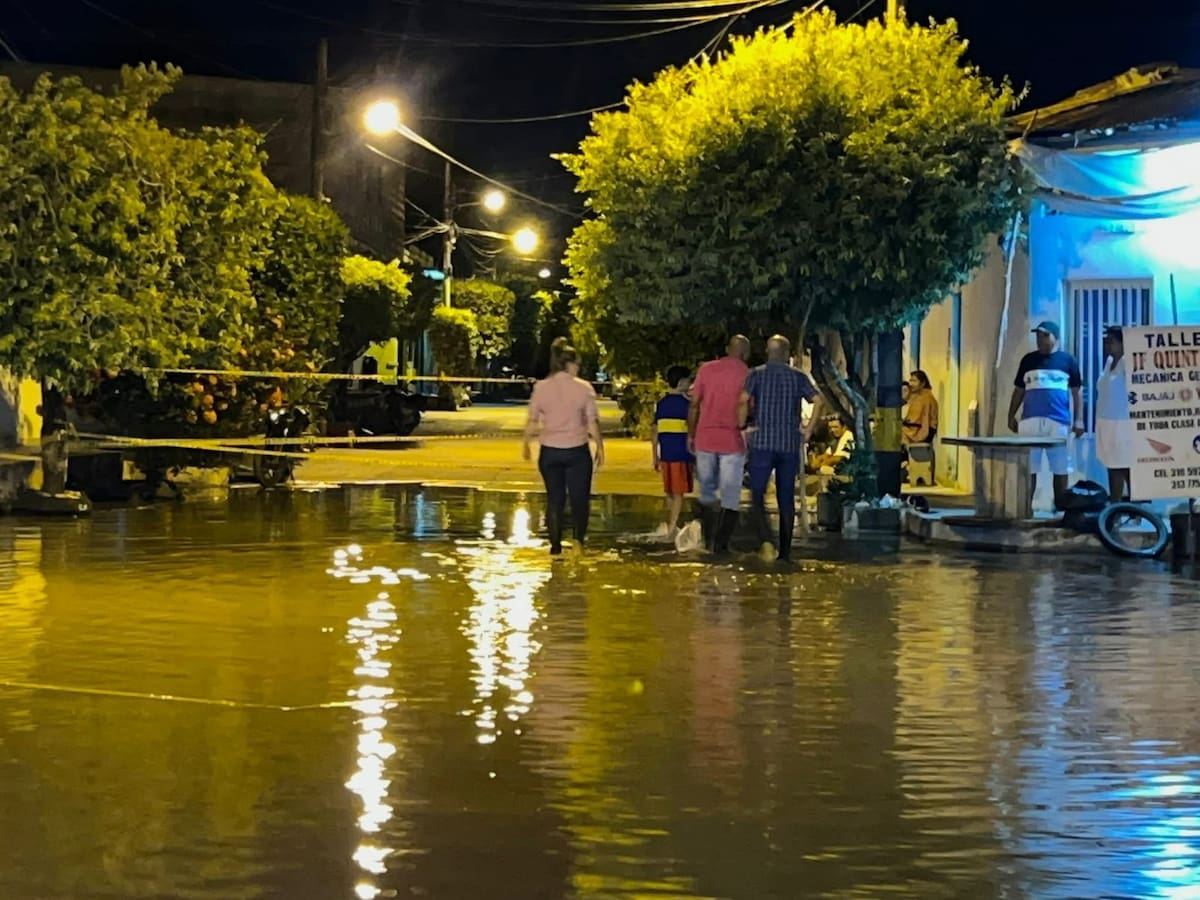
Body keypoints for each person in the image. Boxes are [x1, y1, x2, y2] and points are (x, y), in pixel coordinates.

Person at [738, 335, 822, 562]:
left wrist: (743, 427)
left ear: (768, 351)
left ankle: (766, 540)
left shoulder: (756, 374)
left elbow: (743, 400)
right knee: (786, 498)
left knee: (757, 494)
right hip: (788, 444)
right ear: (786, 354)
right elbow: (818, 400)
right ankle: (785, 552)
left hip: (762, 443)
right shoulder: (798, 376)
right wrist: (808, 430)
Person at [523, 339, 605, 555]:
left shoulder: (541, 388)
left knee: (554, 500)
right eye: (577, 364)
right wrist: (600, 447)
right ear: (569, 364)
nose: (578, 368)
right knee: (579, 499)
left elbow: (532, 420)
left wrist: (526, 444)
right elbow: (592, 422)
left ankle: (555, 547)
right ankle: (578, 542)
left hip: (550, 451)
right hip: (577, 450)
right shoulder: (584, 388)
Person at [1007, 320, 1084, 505]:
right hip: (1030, 421)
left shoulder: (1068, 361)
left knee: (1060, 468)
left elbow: (1077, 393)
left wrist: (1079, 420)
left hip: (1058, 422)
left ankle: (1061, 509)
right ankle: (1025, 508)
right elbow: (1019, 390)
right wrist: (1011, 415)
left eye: (1045, 336)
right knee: (1028, 469)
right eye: (1038, 336)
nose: (1040, 340)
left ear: (1055, 337)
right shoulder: (1028, 360)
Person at [688, 334, 751, 552]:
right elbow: (747, 407)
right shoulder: (747, 374)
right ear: (745, 353)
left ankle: (708, 540)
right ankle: (721, 545)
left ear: (727, 349)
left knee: (707, 492)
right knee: (730, 495)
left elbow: (694, 404)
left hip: (705, 438)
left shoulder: (706, 369)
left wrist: (691, 434)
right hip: (732, 440)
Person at [651, 365, 694, 537]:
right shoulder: (688, 405)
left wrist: (655, 456)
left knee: (670, 491)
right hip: (681, 454)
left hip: (666, 454)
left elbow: (655, 431)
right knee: (678, 493)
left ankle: (672, 522)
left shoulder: (661, 403)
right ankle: (672, 527)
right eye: (688, 380)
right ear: (682, 382)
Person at [1095, 325, 1133, 501]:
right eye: (1106, 341)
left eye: (1111, 342)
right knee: (1111, 465)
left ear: (1123, 343)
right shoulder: (1109, 362)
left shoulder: (1127, 362)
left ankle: (1132, 507)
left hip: (1122, 423)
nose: (1107, 345)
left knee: (1124, 466)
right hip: (1106, 423)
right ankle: (1115, 504)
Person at [902, 370, 939, 445]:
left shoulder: (924, 398)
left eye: (914, 381)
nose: (911, 384)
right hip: (921, 428)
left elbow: (915, 419)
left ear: (923, 383)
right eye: (910, 380)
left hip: (921, 431)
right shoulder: (921, 395)